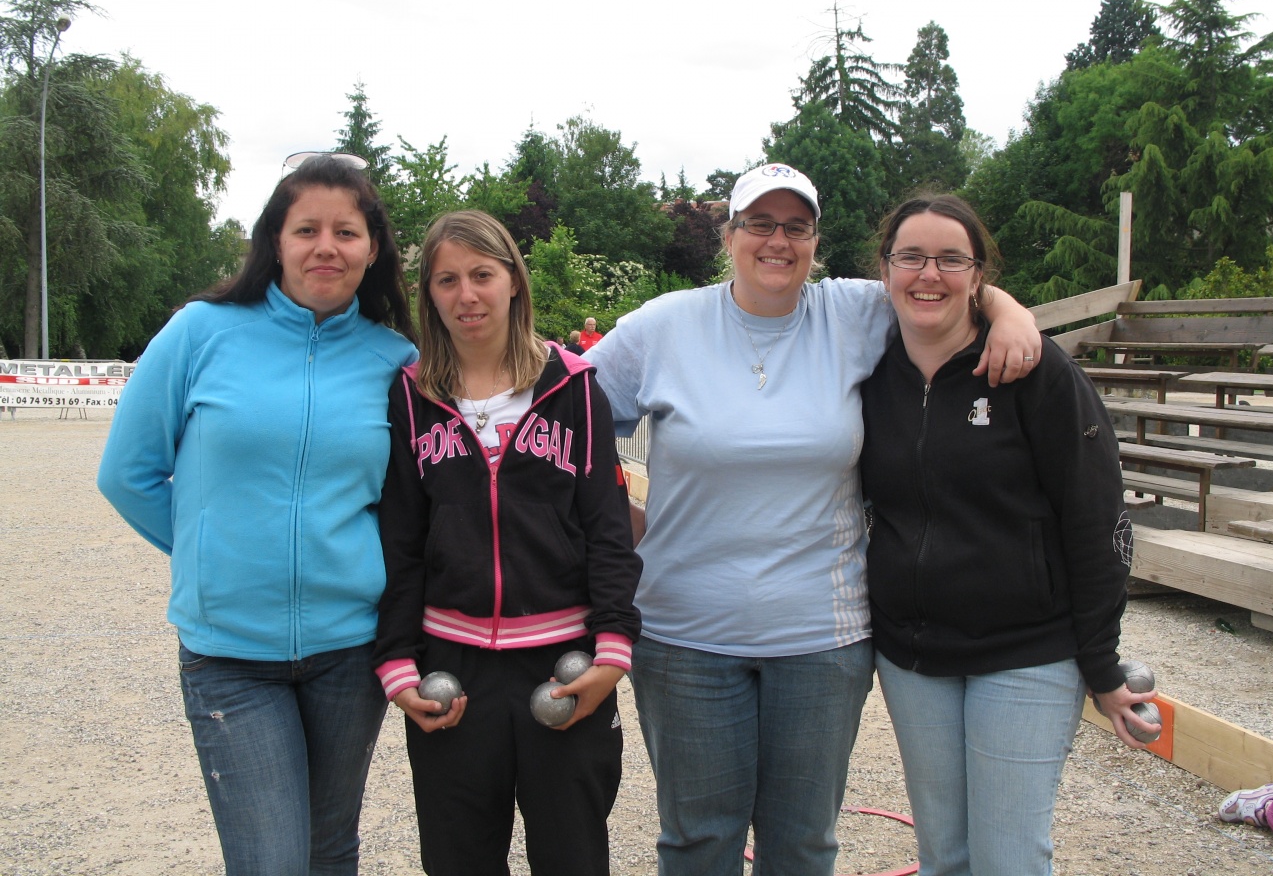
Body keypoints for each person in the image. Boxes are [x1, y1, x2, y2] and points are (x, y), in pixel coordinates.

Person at [583, 163, 1043, 876]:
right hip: (684, 637)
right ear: (729, 236)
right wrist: (625, 520)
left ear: (815, 240)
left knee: (801, 844)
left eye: (795, 227)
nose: (778, 241)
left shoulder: (853, 312)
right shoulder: (666, 326)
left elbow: (939, 285)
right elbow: (566, 423)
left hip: (820, 640)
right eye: (759, 224)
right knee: (699, 840)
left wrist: (1010, 313)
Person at [96, 153, 418, 876]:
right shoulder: (200, 332)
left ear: (373, 249)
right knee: (270, 861)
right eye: (306, 229)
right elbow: (128, 474)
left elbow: (415, 499)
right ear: (275, 240)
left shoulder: (398, 360)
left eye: (347, 231)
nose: (326, 246)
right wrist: (209, 553)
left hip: (349, 651)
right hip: (230, 655)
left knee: (331, 850)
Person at [860, 193, 1158, 876]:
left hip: (1026, 653)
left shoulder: (1033, 371)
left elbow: (1095, 519)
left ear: (979, 273)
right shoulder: (869, 370)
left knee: (1007, 861)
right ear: (885, 269)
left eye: (950, 259)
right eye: (911, 256)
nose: (928, 274)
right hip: (913, 659)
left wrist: (1102, 663)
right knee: (945, 857)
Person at [373, 210, 642, 876]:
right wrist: (397, 662)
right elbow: (400, 540)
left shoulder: (574, 388)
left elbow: (609, 526)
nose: (467, 295)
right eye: (447, 280)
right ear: (428, 294)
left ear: (513, 281)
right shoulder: (411, 397)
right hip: (455, 672)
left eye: (482, 275)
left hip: (564, 660)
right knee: (459, 860)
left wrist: (614, 644)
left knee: (572, 856)